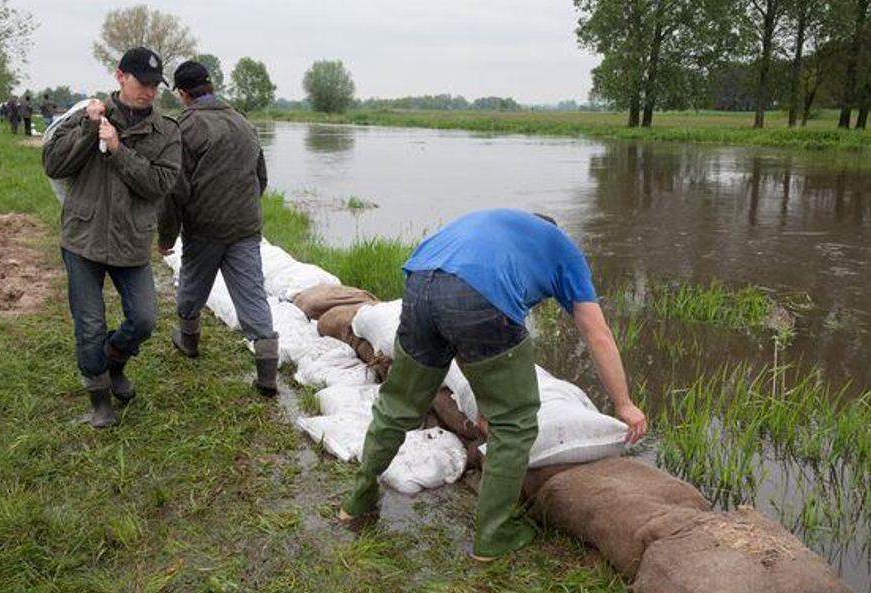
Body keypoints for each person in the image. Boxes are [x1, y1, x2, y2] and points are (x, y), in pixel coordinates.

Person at [338, 209, 648, 561]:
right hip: (478, 295)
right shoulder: (564, 250)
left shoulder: (495, 231)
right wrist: (624, 404)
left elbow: (463, 340)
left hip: (420, 280)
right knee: (514, 425)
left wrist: (485, 402)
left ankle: (357, 501)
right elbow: (598, 335)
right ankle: (493, 536)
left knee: (397, 406)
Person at [42, 47, 182, 428]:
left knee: (144, 318)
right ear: (120, 76)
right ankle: (99, 399)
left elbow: (160, 184)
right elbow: (54, 164)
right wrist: (89, 130)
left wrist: (119, 151)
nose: (150, 92)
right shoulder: (87, 116)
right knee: (88, 324)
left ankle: (114, 361)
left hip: (131, 240)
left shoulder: (167, 131)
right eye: (143, 83)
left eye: (156, 85)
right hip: (83, 238)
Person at [157, 60, 278, 396]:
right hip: (245, 228)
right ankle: (267, 375)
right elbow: (261, 178)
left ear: (183, 94)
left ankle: (189, 342)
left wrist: (166, 237)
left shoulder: (184, 127)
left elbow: (174, 189)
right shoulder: (243, 122)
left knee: (192, 287)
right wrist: (242, 211)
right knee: (253, 297)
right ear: (210, 87)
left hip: (204, 229)